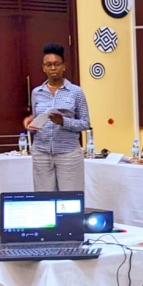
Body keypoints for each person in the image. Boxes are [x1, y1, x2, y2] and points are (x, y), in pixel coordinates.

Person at [24, 43, 90, 192]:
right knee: (44, 199)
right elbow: (37, 121)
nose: (53, 68)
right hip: (41, 154)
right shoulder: (36, 92)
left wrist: (63, 121)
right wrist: (31, 124)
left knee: (70, 199)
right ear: (43, 68)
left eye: (57, 64)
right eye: (49, 65)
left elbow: (85, 123)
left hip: (68, 154)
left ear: (63, 66)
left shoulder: (76, 92)